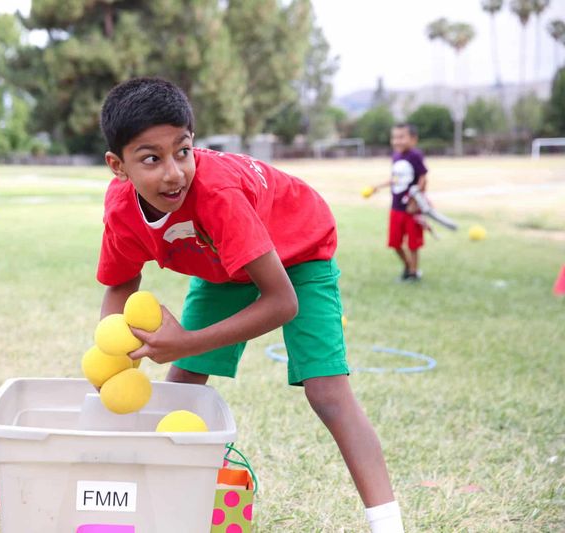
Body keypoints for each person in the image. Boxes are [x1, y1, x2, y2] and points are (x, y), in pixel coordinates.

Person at [96, 78, 404, 533]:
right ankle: (167, 509)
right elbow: (121, 284)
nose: (174, 172)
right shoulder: (122, 209)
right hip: (221, 264)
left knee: (326, 393)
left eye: (183, 151)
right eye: (150, 159)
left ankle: (387, 524)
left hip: (297, 251)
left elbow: (283, 303)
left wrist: (185, 342)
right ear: (117, 166)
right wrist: (115, 358)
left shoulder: (216, 194)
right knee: (183, 392)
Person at [370, 123, 428, 282]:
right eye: (394, 137)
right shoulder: (396, 156)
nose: (397, 141)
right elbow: (396, 179)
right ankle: (409, 266)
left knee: (413, 244)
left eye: (402, 137)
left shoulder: (415, 155)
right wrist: (378, 186)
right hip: (396, 208)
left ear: (413, 139)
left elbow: (423, 178)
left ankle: (414, 273)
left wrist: (416, 201)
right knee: (394, 243)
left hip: (411, 209)